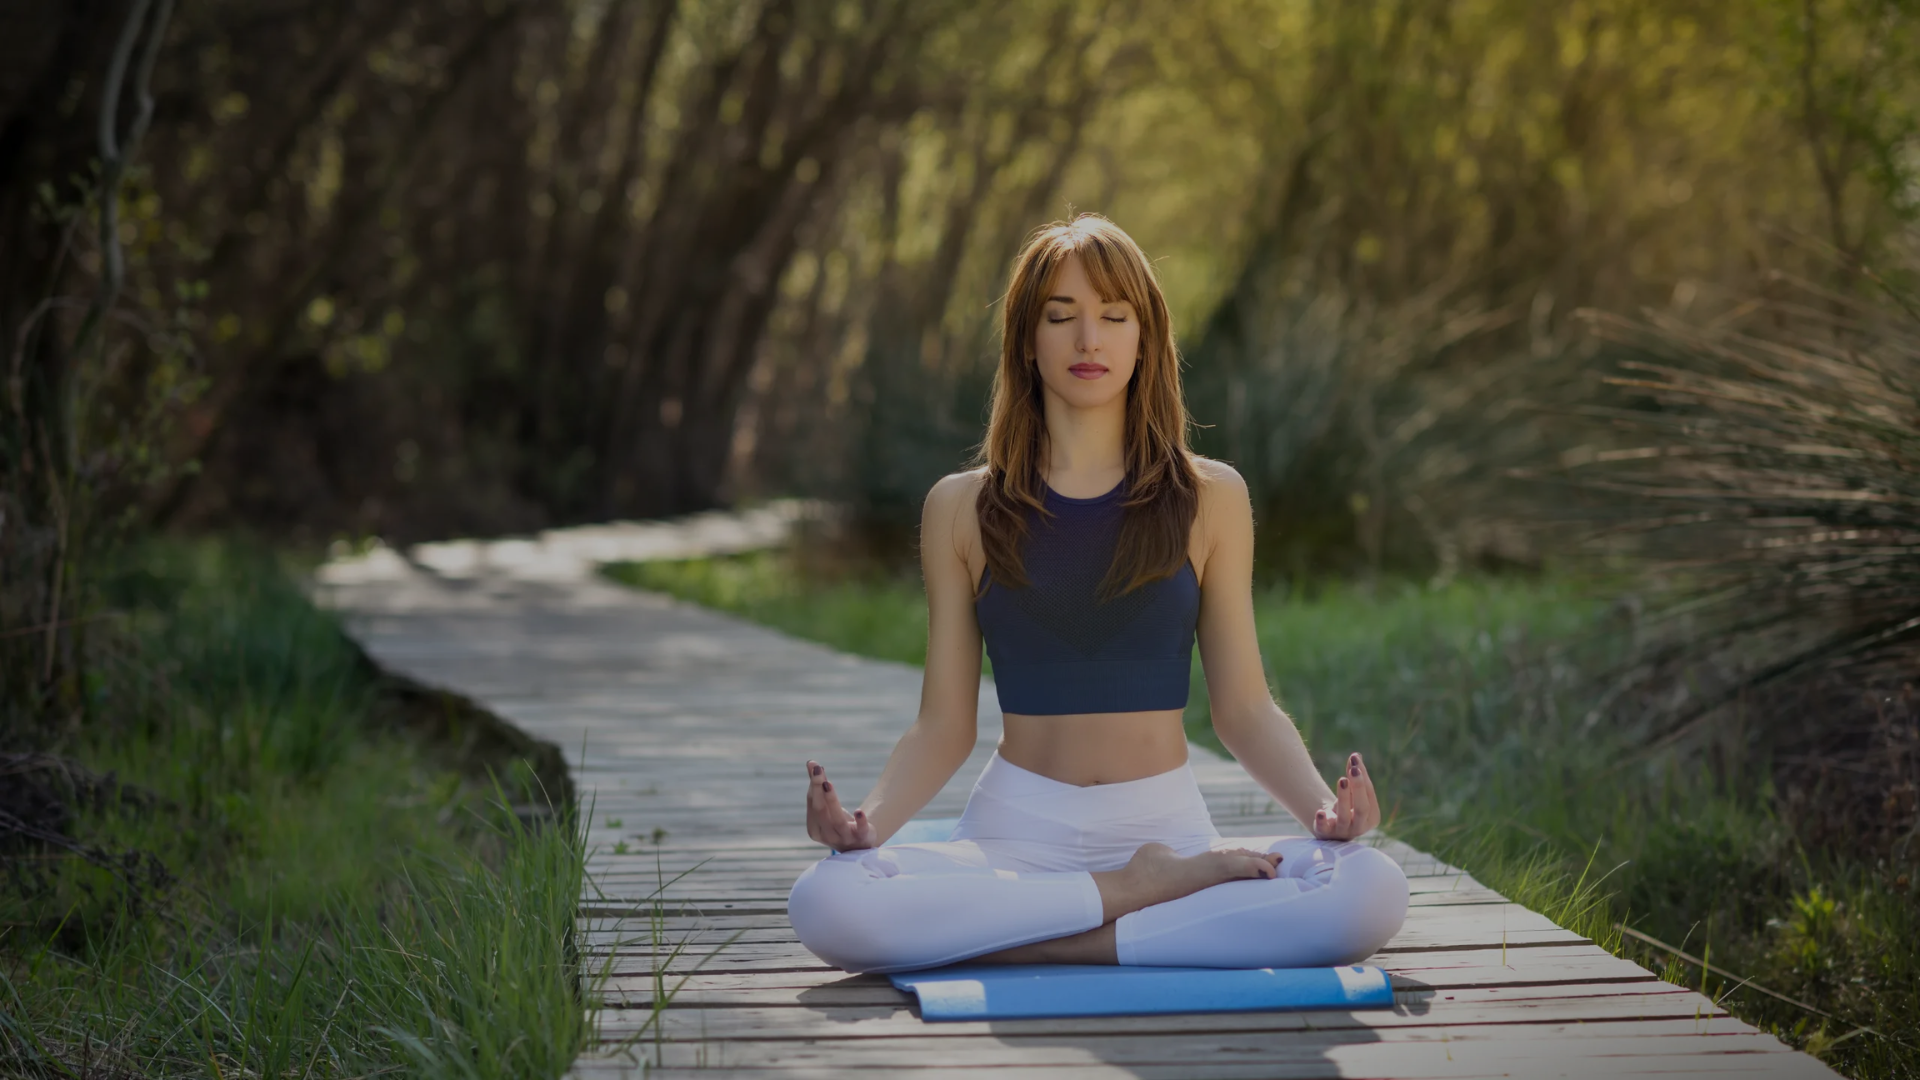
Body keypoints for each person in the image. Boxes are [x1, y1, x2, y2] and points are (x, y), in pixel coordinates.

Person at [787, 215, 1408, 975]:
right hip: (1016, 831)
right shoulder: (959, 506)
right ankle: (1129, 898)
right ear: (1026, 339)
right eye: (1062, 317)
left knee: (1372, 888)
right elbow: (943, 726)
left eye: (1115, 317)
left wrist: (1324, 812)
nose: (1090, 340)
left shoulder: (1210, 496)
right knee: (824, 902)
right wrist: (865, 824)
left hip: (1165, 825)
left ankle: (1032, 935)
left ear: (1145, 339)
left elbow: (1243, 708)